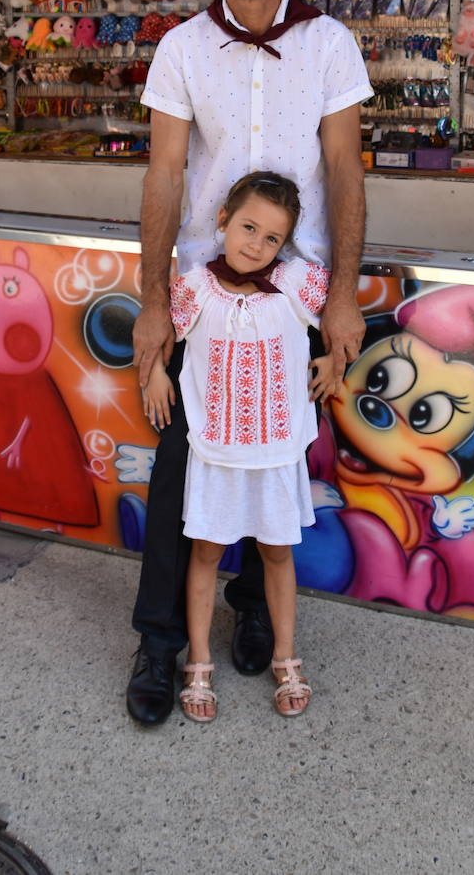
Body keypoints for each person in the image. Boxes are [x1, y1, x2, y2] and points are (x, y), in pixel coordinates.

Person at [126, 0, 372, 727]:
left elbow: (343, 170)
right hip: (204, 293)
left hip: (295, 299)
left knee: (278, 453)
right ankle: (160, 642)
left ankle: (259, 608)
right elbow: (163, 174)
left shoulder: (331, 44)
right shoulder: (182, 49)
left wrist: (340, 296)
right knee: (180, 468)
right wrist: (154, 301)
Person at [143, 171, 334, 722]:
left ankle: (284, 656)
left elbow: (338, 325)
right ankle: (198, 661)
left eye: (271, 237)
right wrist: (155, 372)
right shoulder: (195, 288)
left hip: (275, 453)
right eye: (248, 227)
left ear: (285, 244)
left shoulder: (300, 285)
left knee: (277, 553)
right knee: (204, 553)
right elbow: (161, 334)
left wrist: (334, 358)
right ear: (223, 220)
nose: (256, 244)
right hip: (214, 453)